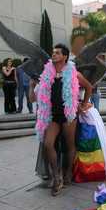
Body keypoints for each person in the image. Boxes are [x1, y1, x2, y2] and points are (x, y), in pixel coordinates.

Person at [36, 44, 92, 196]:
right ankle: (56, 176)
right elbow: (38, 95)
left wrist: (84, 104)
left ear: (65, 57)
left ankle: (67, 173)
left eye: (57, 53)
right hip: (53, 116)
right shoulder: (48, 74)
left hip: (69, 116)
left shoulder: (74, 74)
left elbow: (89, 87)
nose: (53, 55)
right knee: (48, 144)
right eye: (53, 52)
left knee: (69, 146)